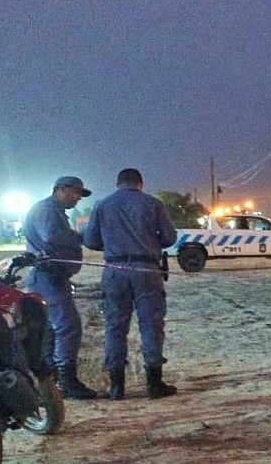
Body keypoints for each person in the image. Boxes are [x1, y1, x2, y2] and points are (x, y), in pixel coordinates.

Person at [82, 168, 178, 400]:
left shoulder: (102, 205)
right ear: (140, 184)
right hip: (146, 269)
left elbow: (90, 240)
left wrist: (115, 244)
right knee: (151, 325)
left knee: (115, 326)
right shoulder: (153, 203)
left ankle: (117, 386)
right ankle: (154, 384)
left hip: (114, 270)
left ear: (118, 184)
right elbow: (170, 238)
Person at [23, 176, 99, 400]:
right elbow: (52, 236)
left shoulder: (53, 210)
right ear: (60, 189)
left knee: (51, 329)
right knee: (68, 325)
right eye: (75, 193)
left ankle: (49, 379)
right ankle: (66, 381)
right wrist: (80, 237)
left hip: (52, 276)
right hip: (47, 276)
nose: (77, 198)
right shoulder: (46, 209)